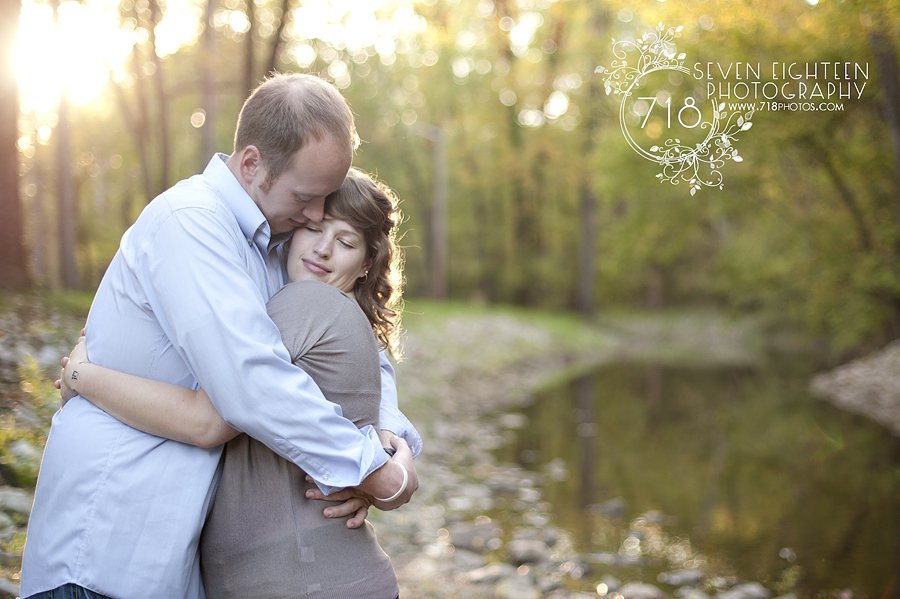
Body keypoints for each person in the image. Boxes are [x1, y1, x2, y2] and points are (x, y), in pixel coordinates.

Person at [21, 73, 420, 599]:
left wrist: (393, 446)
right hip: (106, 545)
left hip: (175, 558)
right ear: (251, 163)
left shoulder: (270, 244)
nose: (318, 215)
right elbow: (248, 385)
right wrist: (366, 466)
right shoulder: (190, 223)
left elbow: (346, 336)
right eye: (307, 196)